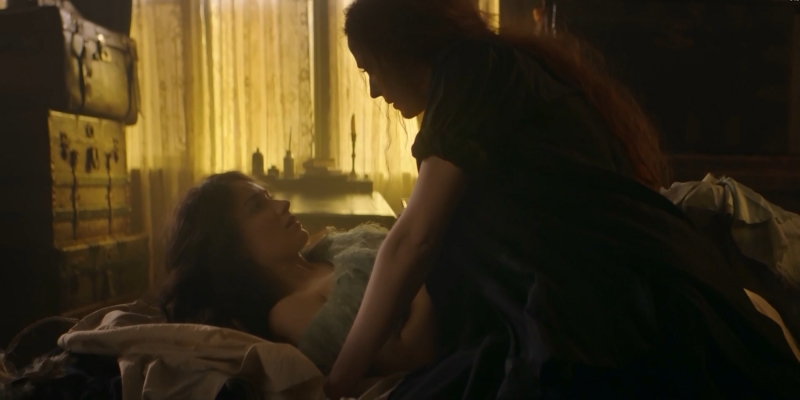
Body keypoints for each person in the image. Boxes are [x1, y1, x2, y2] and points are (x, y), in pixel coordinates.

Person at [325, 0, 800, 398]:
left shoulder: (471, 68)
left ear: (400, 46)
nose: (373, 91)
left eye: (370, 69)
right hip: (608, 308)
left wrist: (338, 381)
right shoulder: (492, 83)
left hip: (626, 317)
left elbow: (414, 240)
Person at [156, 171, 439, 379]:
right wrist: (421, 261)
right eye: (257, 207)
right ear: (230, 247)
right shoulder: (289, 312)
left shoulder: (328, 246)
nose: (283, 204)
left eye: (269, 197)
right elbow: (410, 355)